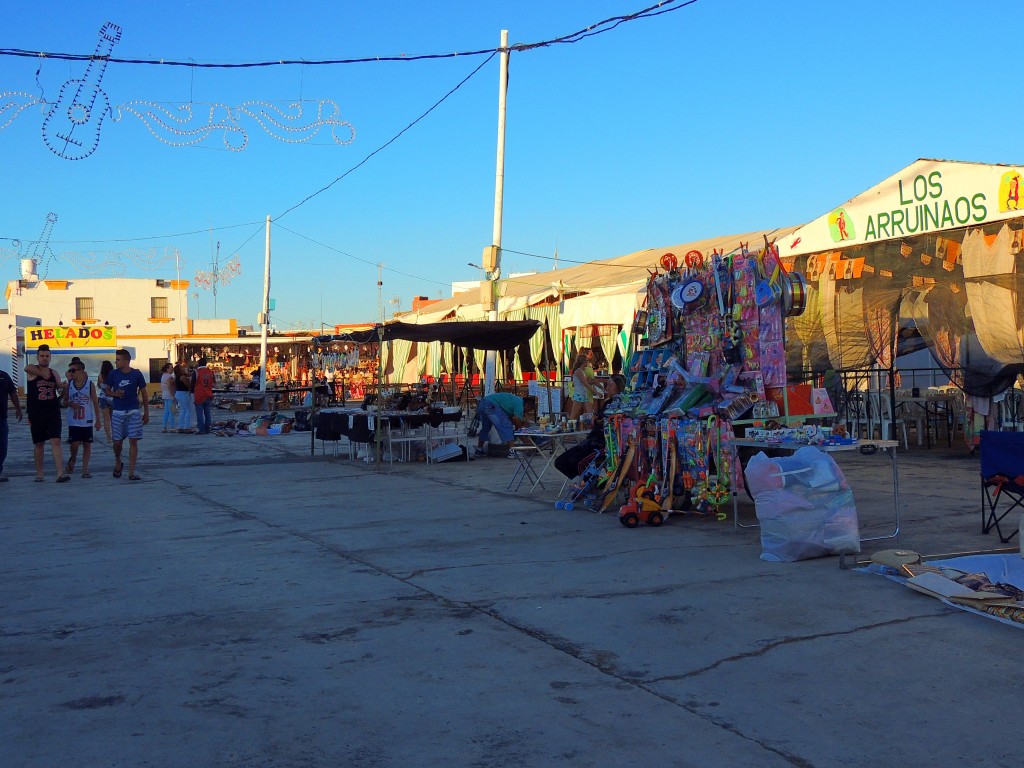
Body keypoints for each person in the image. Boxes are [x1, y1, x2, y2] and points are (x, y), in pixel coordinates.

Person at [25, 344, 68, 482]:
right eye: (42, 356)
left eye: (47, 356)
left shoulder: (54, 373)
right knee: (39, 443)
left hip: (52, 411)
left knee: (56, 440)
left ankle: (60, 473)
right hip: (36, 412)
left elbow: (59, 389)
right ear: (37, 357)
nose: (44, 358)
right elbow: (26, 368)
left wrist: (63, 387)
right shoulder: (33, 370)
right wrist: (41, 372)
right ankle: (39, 474)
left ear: (50, 357)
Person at [106, 348, 149, 480]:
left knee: (133, 441)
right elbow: (107, 390)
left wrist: (146, 412)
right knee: (117, 442)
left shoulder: (136, 374)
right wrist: (114, 394)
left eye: (118, 360)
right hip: (118, 412)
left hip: (133, 411)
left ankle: (131, 471)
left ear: (126, 360)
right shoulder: (113, 374)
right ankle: (118, 460)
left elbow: (144, 392)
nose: (116, 362)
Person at [63, 359, 99, 478]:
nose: (71, 373)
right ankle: (73, 459)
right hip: (73, 420)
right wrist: (71, 404)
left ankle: (85, 469)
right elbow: (64, 401)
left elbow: (95, 402)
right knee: (74, 444)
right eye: (70, 370)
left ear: (81, 371)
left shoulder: (90, 385)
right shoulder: (70, 385)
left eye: (73, 370)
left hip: (87, 420)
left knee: (87, 444)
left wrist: (98, 420)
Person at [473, 391, 527, 458]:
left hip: (482, 403)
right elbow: (516, 420)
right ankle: (512, 451)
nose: (528, 411)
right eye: (529, 409)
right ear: (528, 405)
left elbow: (507, 418)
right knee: (507, 426)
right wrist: (521, 433)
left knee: (486, 427)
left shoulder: (513, 401)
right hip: (491, 405)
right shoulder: (519, 403)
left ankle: (479, 450)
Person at [0, 366, 23, 481]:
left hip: (1, 419)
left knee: (2, 447)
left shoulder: (4, 376)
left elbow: (13, 392)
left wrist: (18, 408)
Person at [568, 350, 598, 422]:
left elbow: (588, 381)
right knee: (573, 417)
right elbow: (586, 384)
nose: (588, 362)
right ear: (583, 362)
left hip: (584, 395)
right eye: (586, 360)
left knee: (591, 414)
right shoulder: (579, 371)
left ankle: (595, 426)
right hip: (579, 396)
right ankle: (568, 429)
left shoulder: (582, 370)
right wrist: (596, 392)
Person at [191, 357, 215, 435]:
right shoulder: (210, 372)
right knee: (207, 413)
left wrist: (191, 392)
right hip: (208, 394)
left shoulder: (196, 372)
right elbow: (213, 382)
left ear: (199, 364)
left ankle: (202, 429)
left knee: (199, 413)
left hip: (199, 395)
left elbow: (192, 383)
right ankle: (208, 428)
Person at [96, 360, 114, 442]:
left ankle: (109, 438)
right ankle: (115, 435)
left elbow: (99, 386)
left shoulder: (100, 376)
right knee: (113, 419)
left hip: (103, 398)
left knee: (106, 419)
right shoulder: (114, 375)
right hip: (113, 398)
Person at [173, 360, 193, 433]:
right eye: (182, 368)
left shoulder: (177, 377)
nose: (184, 368)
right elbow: (188, 385)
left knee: (183, 410)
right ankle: (187, 427)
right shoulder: (182, 377)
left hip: (178, 393)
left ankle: (180, 427)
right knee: (188, 410)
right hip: (184, 393)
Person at [160, 362, 176, 432]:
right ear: (167, 369)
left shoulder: (163, 376)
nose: (172, 369)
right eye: (171, 367)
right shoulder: (170, 377)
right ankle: (172, 427)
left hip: (164, 395)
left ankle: (164, 427)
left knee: (166, 411)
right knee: (172, 411)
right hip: (170, 395)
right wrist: (172, 395)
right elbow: (170, 387)